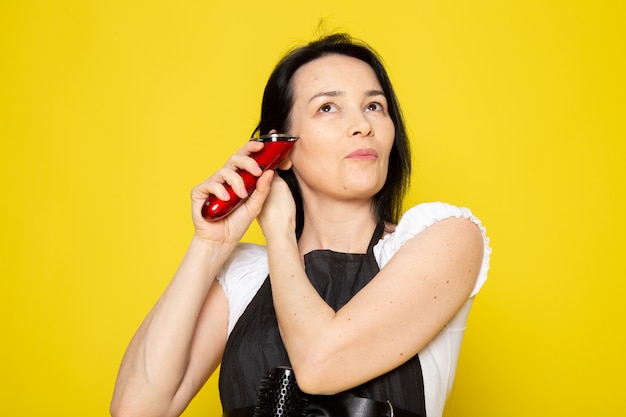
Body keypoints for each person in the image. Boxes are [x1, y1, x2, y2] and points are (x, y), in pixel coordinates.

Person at [110, 33, 491, 417]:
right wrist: (210, 245)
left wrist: (278, 231)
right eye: (328, 107)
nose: (362, 125)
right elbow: (136, 409)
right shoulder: (245, 277)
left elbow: (318, 365)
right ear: (281, 147)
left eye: (374, 106)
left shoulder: (443, 237)